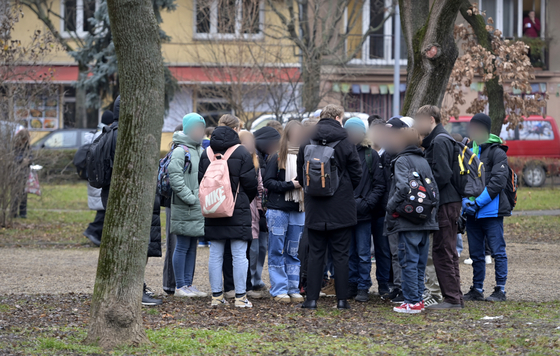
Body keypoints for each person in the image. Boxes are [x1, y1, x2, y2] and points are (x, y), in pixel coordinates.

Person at [99, 95, 163, 306]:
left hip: (116, 197)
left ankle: (132, 288)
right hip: (128, 200)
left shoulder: (110, 131)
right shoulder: (126, 135)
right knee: (133, 247)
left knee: (126, 246)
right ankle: (133, 291)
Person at [297, 104, 362, 310]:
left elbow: (301, 175)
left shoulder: (307, 139)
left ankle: (311, 300)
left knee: (316, 254)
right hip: (341, 206)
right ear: (336, 117)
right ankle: (342, 300)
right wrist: (343, 189)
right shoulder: (346, 141)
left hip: (315, 205)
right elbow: (357, 173)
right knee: (341, 255)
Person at [199, 114, 258, 308]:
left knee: (215, 253)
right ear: (236, 129)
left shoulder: (206, 152)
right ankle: (241, 297)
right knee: (239, 254)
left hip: (213, 206)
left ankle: (216, 296)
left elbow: (201, 181)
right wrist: (240, 200)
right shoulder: (241, 152)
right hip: (237, 208)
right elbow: (250, 184)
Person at [384, 126, 439, 314]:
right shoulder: (423, 160)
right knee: (420, 263)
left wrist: (390, 208)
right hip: (426, 219)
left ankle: (411, 301)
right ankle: (418, 300)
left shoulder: (401, 161)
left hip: (408, 220)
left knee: (407, 261)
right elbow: (435, 191)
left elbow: (402, 188)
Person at [415, 105, 463, 310]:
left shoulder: (440, 140)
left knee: (442, 250)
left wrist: (426, 191)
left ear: (431, 119)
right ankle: (455, 297)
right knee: (447, 249)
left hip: (446, 202)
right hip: (448, 201)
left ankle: (452, 299)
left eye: (420, 120)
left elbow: (442, 175)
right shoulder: (440, 139)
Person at [462, 113, 510, 302]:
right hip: (472, 212)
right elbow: (462, 178)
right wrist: (466, 202)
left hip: (491, 210)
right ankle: (477, 288)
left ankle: (500, 289)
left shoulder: (497, 152)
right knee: (475, 253)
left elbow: (497, 182)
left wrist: (477, 202)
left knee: (498, 251)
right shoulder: (467, 150)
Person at [343, 118, 385, 302]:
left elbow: (379, 184)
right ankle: (351, 283)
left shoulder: (371, 155)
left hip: (364, 212)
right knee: (349, 251)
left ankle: (363, 285)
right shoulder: (341, 153)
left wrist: (367, 203)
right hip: (345, 211)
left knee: (363, 251)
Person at [263, 120, 305, 303]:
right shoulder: (277, 156)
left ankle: (293, 288)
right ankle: (279, 289)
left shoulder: (305, 156)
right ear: (287, 134)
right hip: (278, 210)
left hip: (298, 210)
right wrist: (291, 185)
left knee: (293, 251)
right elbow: (268, 182)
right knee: (277, 250)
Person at [169, 113, 207, 298]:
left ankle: (188, 284)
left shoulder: (199, 150)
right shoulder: (180, 151)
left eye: (202, 128)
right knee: (183, 245)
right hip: (186, 206)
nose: (201, 132)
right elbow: (174, 178)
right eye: (197, 128)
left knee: (193, 245)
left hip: (197, 207)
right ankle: (180, 286)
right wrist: (191, 198)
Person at [251, 126, 281, 290]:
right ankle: (252, 279)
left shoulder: (268, 157)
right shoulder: (254, 157)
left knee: (262, 246)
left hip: (264, 207)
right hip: (255, 208)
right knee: (255, 246)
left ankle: (257, 278)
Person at [239, 130, 266, 300]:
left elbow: (260, 189)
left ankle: (252, 281)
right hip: (240, 212)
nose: (249, 145)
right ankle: (242, 285)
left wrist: (261, 209)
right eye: (245, 141)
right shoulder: (236, 161)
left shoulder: (256, 165)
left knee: (255, 249)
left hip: (254, 214)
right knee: (242, 250)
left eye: (251, 142)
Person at [83, 110, 114, 247]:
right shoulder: (104, 134)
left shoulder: (92, 135)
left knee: (103, 208)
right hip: (101, 176)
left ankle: (98, 234)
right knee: (103, 208)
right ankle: (93, 231)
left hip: (93, 176)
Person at [162, 124, 185, 295]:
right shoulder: (178, 153)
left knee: (181, 244)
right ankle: (171, 284)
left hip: (181, 203)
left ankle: (181, 282)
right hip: (175, 203)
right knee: (174, 243)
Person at [11, 128, 31, 219]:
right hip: (15, 172)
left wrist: (29, 160)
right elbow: (11, 158)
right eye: (24, 139)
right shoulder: (13, 146)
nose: (25, 141)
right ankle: (13, 213)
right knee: (15, 193)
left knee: (24, 193)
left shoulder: (27, 146)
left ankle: (23, 213)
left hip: (25, 171)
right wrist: (21, 160)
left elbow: (31, 156)